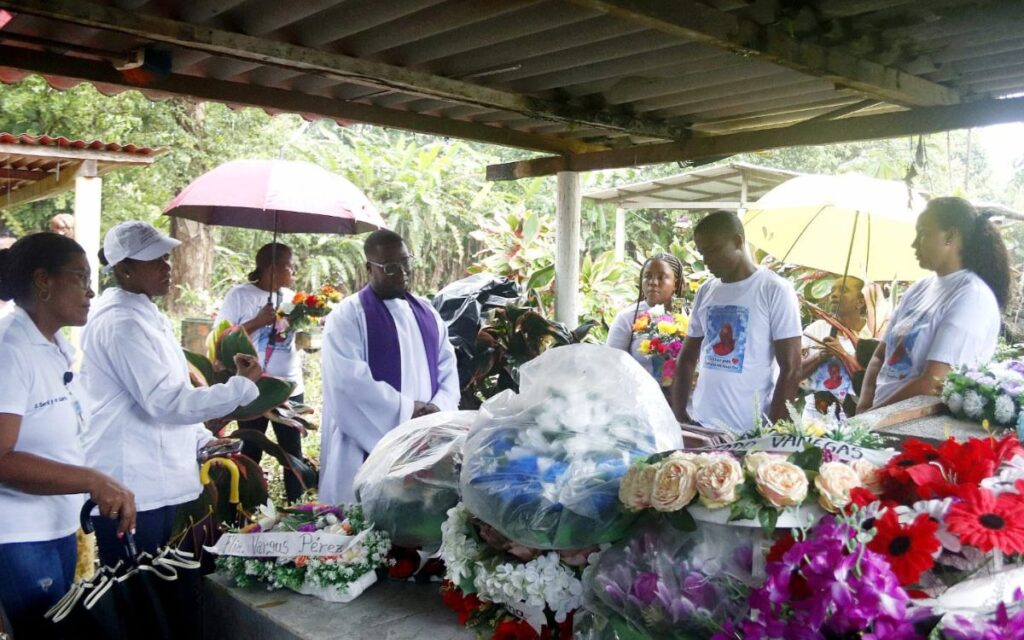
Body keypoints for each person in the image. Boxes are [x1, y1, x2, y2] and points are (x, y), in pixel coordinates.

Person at [80, 221, 263, 566]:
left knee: (153, 584)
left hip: (153, 481)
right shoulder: (123, 325)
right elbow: (164, 401)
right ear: (124, 268)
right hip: (133, 483)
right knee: (136, 590)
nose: (167, 267)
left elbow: (169, 389)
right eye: (154, 260)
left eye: (165, 258)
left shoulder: (145, 315)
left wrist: (199, 439)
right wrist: (239, 387)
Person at [0, 233, 136, 637]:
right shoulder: (11, 352)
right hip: (18, 538)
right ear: (43, 282)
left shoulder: (54, 347)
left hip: (55, 530)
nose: (91, 291)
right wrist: (92, 481)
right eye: (79, 278)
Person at [319, 229, 459, 503]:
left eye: (406, 263)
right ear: (369, 268)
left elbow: (448, 367)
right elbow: (347, 382)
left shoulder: (428, 312)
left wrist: (436, 411)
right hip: (365, 444)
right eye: (391, 267)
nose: (403, 273)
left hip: (424, 436)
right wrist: (408, 411)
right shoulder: (348, 316)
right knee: (365, 531)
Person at [858, 197, 1011, 412]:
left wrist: (869, 418)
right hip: (876, 420)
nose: (914, 243)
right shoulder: (919, 288)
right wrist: (863, 407)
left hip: (912, 431)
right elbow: (880, 356)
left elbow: (933, 384)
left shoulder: (971, 298)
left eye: (923, 233)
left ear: (950, 236)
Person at [671, 211, 802, 433]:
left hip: (749, 430)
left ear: (738, 242)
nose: (706, 260)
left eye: (713, 250)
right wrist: (679, 415)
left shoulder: (774, 290)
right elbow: (687, 358)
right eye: (702, 252)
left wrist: (768, 433)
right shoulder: (706, 291)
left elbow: (791, 368)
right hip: (701, 425)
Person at [216, 243, 306, 502]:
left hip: (289, 387)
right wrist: (257, 321)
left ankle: (296, 507)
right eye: (289, 265)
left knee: (292, 453)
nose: (293, 271)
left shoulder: (291, 298)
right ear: (272, 268)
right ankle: (246, 508)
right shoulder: (239, 296)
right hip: (254, 389)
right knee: (250, 450)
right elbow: (222, 337)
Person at [800, 276, 879, 419]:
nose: (834, 294)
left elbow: (875, 382)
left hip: (857, 418)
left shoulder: (873, 334)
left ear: (860, 302)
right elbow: (795, 373)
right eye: (832, 290)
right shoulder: (814, 330)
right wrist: (820, 356)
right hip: (816, 419)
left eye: (843, 290)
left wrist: (842, 354)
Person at [606, 252, 686, 381]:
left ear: (675, 284)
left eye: (661, 277)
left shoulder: (688, 317)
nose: (653, 282)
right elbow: (612, 364)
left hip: (681, 397)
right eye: (647, 276)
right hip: (639, 396)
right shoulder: (627, 318)